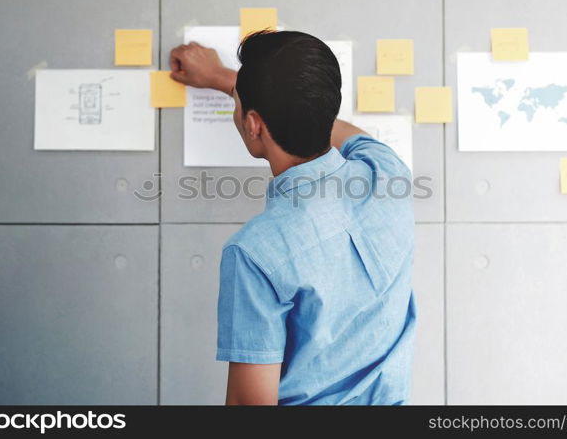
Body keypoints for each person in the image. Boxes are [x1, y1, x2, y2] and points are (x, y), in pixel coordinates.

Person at [169, 31, 416, 405]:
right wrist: (227, 80)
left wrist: (231, 82)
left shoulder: (254, 253)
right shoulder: (388, 173)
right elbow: (335, 127)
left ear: (254, 125)